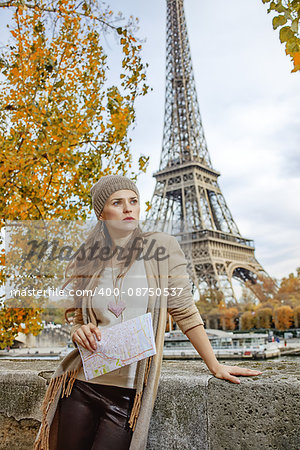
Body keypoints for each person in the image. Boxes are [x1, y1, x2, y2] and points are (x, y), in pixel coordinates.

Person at [34, 174, 263, 450]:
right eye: (117, 202)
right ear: (102, 214)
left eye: (133, 201)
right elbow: (81, 321)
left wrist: (214, 365)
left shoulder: (162, 248)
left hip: (127, 396)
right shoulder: (90, 258)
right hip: (81, 386)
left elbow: (184, 310)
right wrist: (78, 331)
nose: (128, 208)